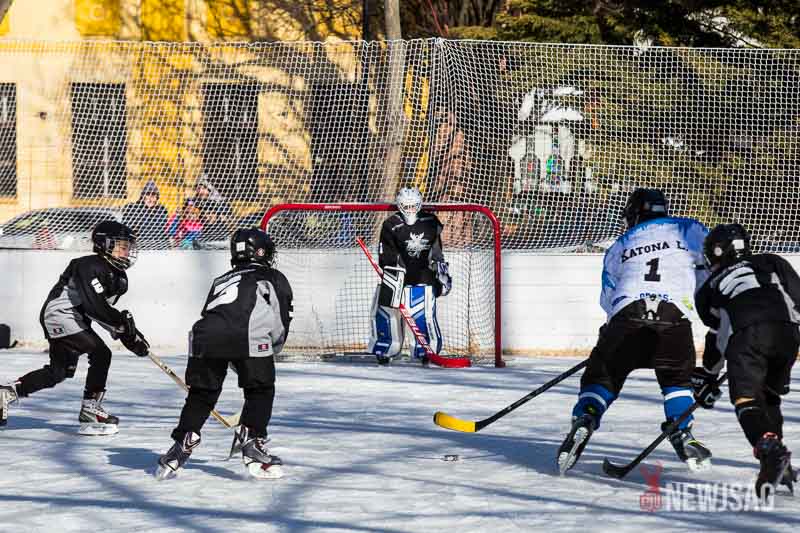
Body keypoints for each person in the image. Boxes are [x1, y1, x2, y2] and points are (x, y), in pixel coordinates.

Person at [557, 188, 712, 475]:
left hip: (628, 314)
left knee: (603, 376)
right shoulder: (690, 229)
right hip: (673, 316)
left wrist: (609, 332)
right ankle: (681, 429)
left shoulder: (622, 242)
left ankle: (587, 416)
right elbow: (708, 273)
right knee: (677, 380)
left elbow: (608, 295)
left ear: (634, 214)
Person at [155, 227, 293, 480]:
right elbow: (281, 318)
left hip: (204, 337)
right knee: (260, 388)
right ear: (261, 252)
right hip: (247, 335)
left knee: (202, 394)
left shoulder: (222, 279)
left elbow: (214, 315)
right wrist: (271, 350)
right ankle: (253, 441)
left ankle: (182, 443)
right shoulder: (271, 276)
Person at [0, 221, 150, 435]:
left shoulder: (119, 279)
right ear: (105, 244)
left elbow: (103, 314)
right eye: (122, 246)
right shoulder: (87, 265)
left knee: (58, 372)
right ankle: (90, 409)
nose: (127, 251)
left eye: (129, 247)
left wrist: (132, 338)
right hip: (60, 315)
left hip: (77, 320)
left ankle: (6, 393)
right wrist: (124, 327)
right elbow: (94, 306)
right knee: (101, 353)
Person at [693, 223, 798, 497]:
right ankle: (778, 460)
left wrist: (709, 375)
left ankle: (770, 451)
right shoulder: (772, 261)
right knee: (769, 396)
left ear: (716, 252)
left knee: (746, 400)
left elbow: (717, 336)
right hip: (787, 334)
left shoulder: (708, 289)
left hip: (747, 336)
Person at [368, 187, 452, 366]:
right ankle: (386, 347)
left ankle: (425, 349)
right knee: (386, 312)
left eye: (413, 206)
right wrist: (394, 275)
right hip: (396, 275)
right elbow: (386, 255)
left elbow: (436, 252)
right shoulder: (391, 224)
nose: (410, 210)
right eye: (406, 206)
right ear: (400, 205)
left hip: (423, 276)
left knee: (422, 314)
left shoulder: (430, 222)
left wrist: (442, 273)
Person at [122, 179, 168, 248]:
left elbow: (163, 232)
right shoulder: (134, 209)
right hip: (140, 246)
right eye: (148, 194)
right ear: (143, 196)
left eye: (153, 194)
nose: (150, 198)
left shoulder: (161, 211)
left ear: (157, 197)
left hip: (157, 246)